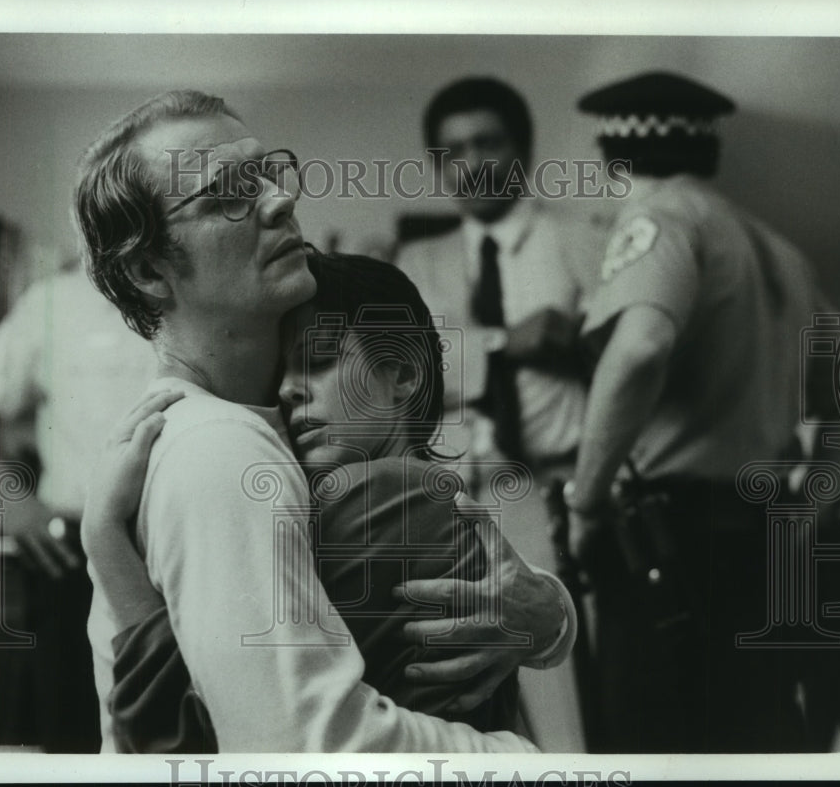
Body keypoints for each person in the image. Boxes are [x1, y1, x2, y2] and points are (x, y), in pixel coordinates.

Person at [75, 89, 573, 752]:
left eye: (268, 173)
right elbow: (306, 744)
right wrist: (526, 762)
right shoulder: (224, 452)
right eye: (227, 193)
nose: (280, 201)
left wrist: (550, 617)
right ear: (148, 269)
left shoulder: (253, 435)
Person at [567, 71, 829, 752]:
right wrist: (810, 507)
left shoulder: (662, 217)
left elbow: (641, 348)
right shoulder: (782, 252)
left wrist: (586, 501)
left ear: (612, 157)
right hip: (764, 536)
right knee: (751, 740)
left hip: (674, 540)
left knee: (652, 745)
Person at [0, 264, 155, 751]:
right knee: (76, 736)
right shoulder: (56, 302)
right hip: (76, 560)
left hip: (190, 548)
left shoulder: (214, 286)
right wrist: (7, 500)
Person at [395, 76, 603, 480]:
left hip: (559, 484)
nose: (472, 166)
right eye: (453, 152)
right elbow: (400, 379)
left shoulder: (582, 242)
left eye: (488, 145)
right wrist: (505, 344)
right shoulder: (415, 263)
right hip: (451, 493)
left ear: (523, 151)